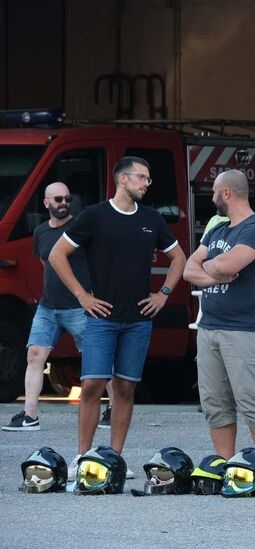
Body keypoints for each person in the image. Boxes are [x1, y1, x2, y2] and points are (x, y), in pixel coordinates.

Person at [49, 156, 186, 478]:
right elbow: (57, 255)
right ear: (122, 179)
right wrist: (82, 296)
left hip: (138, 319)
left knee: (125, 388)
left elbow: (179, 257)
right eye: (142, 177)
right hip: (101, 317)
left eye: (148, 179)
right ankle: (82, 457)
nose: (147, 183)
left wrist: (163, 294)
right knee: (93, 384)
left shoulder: (152, 218)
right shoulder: (94, 215)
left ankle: (114, 458)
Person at [183, 170, 255, 483]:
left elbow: (228, 264)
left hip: (244, 329)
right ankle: (227, 467)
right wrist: (217, 274)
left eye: (213, 192)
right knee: (215, 403)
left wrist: (211, 268)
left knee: (251, 400)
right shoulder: (217, 231)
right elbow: (188, 269)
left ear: (226, 193)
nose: (211, 198)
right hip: (209, 326)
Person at [3, 183, 99, 432]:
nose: (64, 203)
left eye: (68, 198)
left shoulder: (79, 229)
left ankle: (111, 409)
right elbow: (45, 263)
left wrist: (90, 293)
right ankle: (29, 415)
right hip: (48, 307)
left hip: (78, 306)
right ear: (46, 203)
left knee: (96, 358)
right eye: (58, 199)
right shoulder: (40, 232)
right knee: (34, 355)